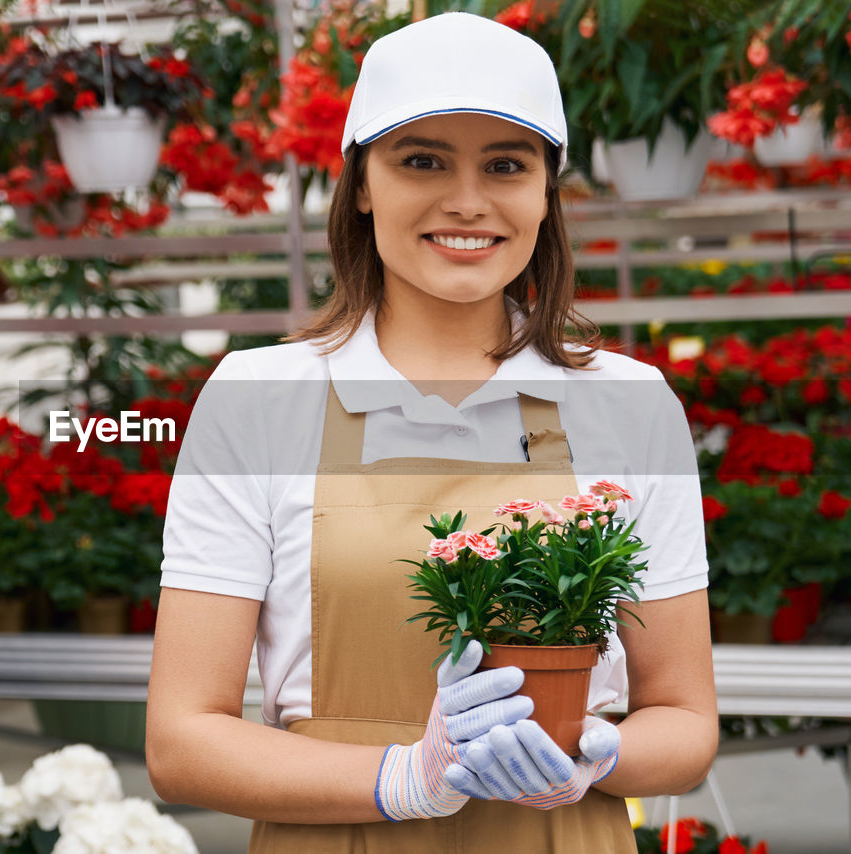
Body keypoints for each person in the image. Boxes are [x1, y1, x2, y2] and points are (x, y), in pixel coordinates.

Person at [145, 11, 717, 853]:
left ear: (545, 191)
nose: (467, 201)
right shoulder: (258, 399)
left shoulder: (631, 404)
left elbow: (687, 723)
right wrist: (406, 779)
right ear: (363, 181)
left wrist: (595, 755)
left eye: (506, 165)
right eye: (422, 161)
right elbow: (181, 742)